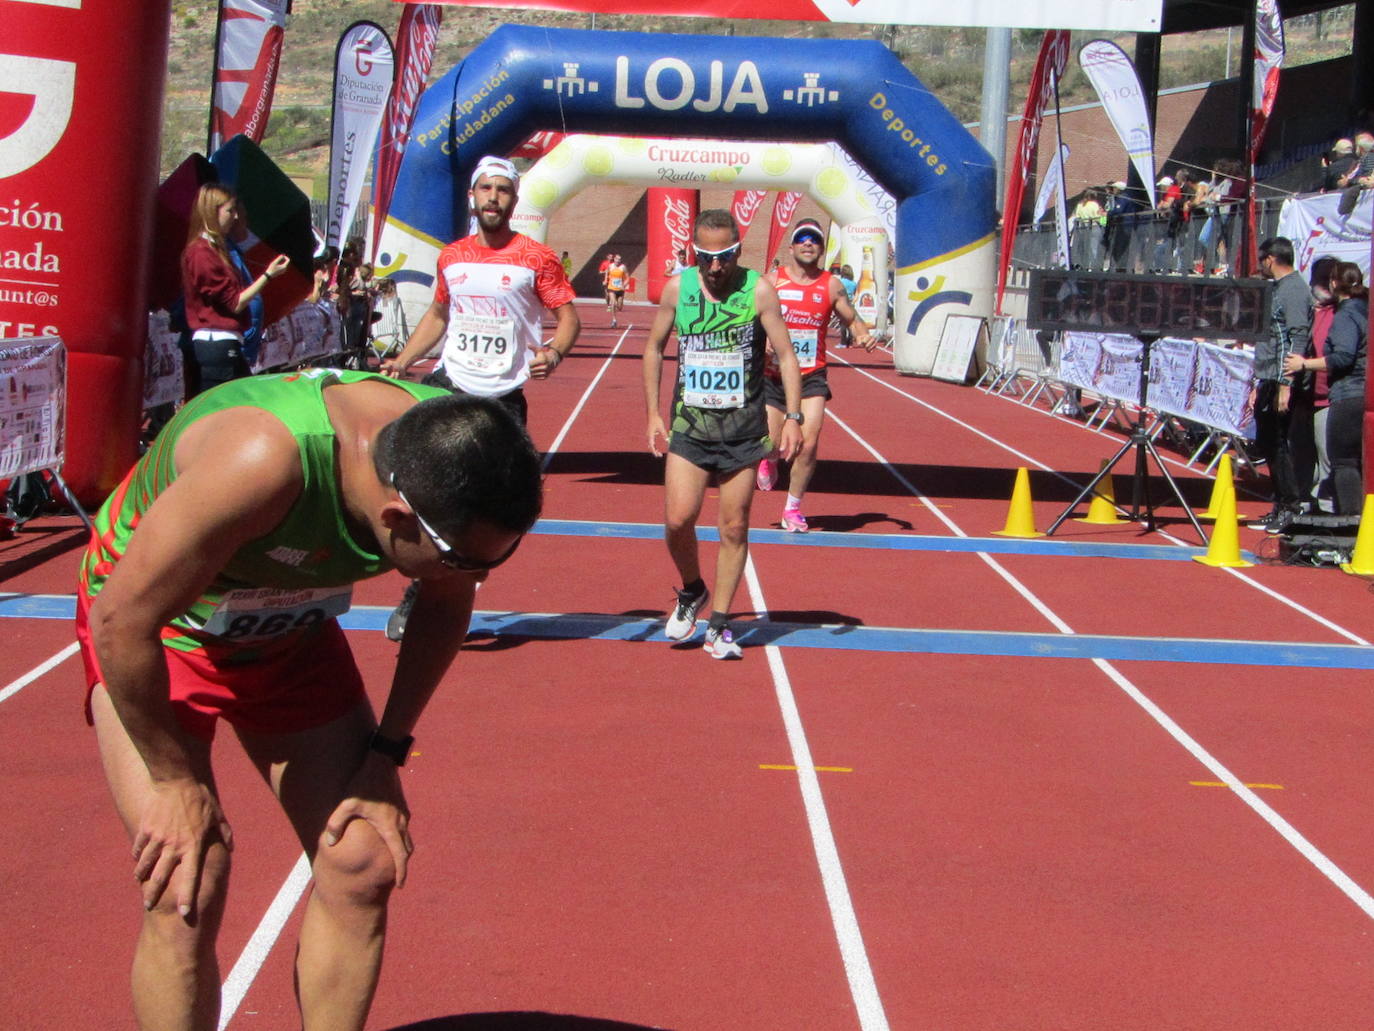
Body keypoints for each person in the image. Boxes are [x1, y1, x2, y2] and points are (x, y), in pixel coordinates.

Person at [77, 371, 543, 1031]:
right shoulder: (261, 462)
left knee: (362, 858)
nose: (478, 576)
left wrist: (385, 753)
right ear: (396, 517)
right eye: (466, 563)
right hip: (161, 626)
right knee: (189, 878)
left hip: (285, 628)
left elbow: (443, 606)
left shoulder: (451, 459)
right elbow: (122, 622)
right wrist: (174, 780)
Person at [380, 154, 578, 639]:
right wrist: (403, 360)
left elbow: (568, 318)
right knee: (423, 490)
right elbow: (438, 316)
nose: (493, 198)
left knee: (485, 508)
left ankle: (457, 579)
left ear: (514, 199)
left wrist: (554, 353)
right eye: (486, 189)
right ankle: (420, 587)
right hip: (451, 385)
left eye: (503, 190)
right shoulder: (452, 256)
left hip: (501, 397)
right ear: (473, 196)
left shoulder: (536, 258)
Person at [642, 209, 803, 660]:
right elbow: (653, 347)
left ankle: (719, 624)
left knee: (733, 526)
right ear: (693, 252)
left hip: (743, 428)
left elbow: (787, 356)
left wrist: (793, 416)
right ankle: (693, 589)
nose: (715, 267)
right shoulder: (678, 289)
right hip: (690, 425)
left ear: (738, 250)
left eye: (725, 256)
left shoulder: (759, 290)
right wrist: (652, 413)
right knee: (678, 520)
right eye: (706, 257)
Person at [756, 217, 874, 531]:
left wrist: (862, 334)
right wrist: (762, 340)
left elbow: (851, 317)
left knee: (808, 444)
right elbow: (751, 319)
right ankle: (769, 457)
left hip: (811, 375)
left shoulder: (831, 284)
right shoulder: (772, 281)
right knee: (769, 442)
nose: (808, 243)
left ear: (821, 249)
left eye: (814, 240)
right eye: (802, 238)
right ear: (791, 246)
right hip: (773, 374)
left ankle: (792, 509)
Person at [180, 182, 289, 396]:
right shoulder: (202, 253)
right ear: (213, 212)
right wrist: (268, 275)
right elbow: (234, 303)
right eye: (230, 211)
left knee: (239, 402)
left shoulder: (216, 249)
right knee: (222, 405)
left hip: (226, 343)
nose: (236, 217)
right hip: (216, 344)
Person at [1285, 261, 1367, 515]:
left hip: (1347, 392)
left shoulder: (1345, 315)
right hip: (1355, 391)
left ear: (1333, 284)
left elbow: (1342, 356)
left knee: (1342, 461)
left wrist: (1304, 364)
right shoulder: (1362, 309)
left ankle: (1348, 519)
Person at [1250, 237, 1312, 533]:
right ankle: (1280, 502)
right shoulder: (1277, 288)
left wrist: (1286, 382)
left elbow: (1297, 337)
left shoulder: (1294, 290)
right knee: (1267, 441)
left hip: (1281, 378)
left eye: (1261, 259)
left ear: (1271, 259)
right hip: (1268, 375)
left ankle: (1291, 506)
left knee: (1279, 442)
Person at [605, 253, 628, 327]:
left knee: (619, 307)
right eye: (617, 259)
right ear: (614, 259)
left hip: (620, 289)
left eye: (619, 259)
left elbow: (627, 278)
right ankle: (614, 320)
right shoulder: (610, 266)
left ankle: (619, 305)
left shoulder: (623, 267)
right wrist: (605, 280)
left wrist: (624, 285)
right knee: (613, 303)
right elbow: (606, 272)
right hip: (611, 288)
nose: (618, 260)